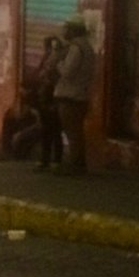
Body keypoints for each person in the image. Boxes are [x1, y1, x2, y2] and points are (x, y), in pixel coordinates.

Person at [53, 18, 97, 176]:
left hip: (71, 96)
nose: (64, 31)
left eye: (67, 28)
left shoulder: (76, 48)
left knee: (72, 132)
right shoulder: (87, 47)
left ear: (73, 30)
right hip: (80, 95)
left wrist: (58, 62)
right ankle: (78, 163)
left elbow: (67, 72)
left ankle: (76, 164)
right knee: (76, 132)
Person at [33, 36, 64, 170]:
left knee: (54, 129)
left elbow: (49, 75)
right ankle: (46, 159)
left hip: (53, 97)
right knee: (47, 130)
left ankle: (54, 159)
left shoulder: (57, 59)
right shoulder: (47, 59)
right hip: (46, 97)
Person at [0, 86, 40, 161]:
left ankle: (16, 153)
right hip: (24, 126)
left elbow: (38, 125)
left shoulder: (34, 113)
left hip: (32, 130)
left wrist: (21, 134)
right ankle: (6, 151)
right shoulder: (20, 112)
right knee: (9, 120)